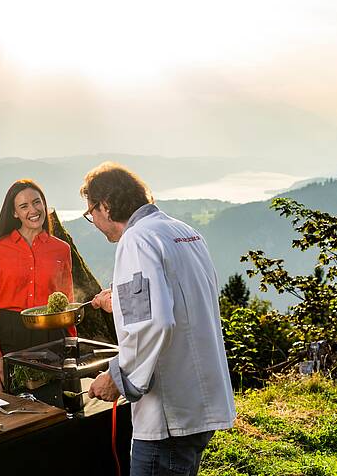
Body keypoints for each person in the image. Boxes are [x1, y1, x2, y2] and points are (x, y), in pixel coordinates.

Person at [81, 162, 235, 475]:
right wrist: (122, 302)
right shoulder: (183, 232)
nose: (93, 220)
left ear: (105, 206)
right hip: (201, 400)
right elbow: (184, 300)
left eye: (91, 212)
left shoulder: (136, 240)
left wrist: (118, 379)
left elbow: (153, 323)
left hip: (169, 417)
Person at [0, 179, 76, 392]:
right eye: (24, 206)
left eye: (36, 202)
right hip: (11, 336)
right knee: (9, 408)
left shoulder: (61, 249)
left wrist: (72, 341)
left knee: (55, 405)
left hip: (52, 335)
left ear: (44, 204)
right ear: (14, 213)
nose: (33, 210)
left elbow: (67, 302)